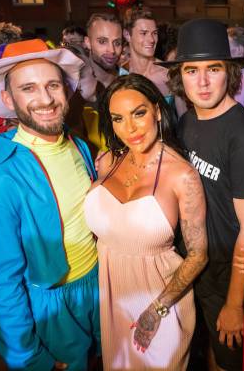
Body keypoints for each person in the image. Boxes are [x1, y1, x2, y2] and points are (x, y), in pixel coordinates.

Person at [0, 39, 100, 370]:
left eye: (53, 84)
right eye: (29, 88)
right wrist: (29, 358)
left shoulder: (78, 146)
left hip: (98, 289)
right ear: (8, 99)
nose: (46, 99)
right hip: (50, 309)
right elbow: (0, 287)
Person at [162, 19, 244, 371]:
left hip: (227, 275)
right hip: (196, 264)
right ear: (180, 75)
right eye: (192, 70)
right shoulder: (188, 121)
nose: (203, 82)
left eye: (214, 69)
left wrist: (235, 303)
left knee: (228, 360)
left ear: (230, 73)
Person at [85, 73, 208, 369]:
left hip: (159, 301)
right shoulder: (107, 161)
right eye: (117, 119)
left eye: (138, 113)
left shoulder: (182, 175)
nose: (130, 129)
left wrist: (156, 312)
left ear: (156, 109)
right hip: (112, 298)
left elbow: (198, 255)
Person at [84, 13, 123, 89]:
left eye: (117, 43)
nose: (112, 50)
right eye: (102, 42)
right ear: (88, 42)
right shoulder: (75, 85)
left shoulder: (128, 80)